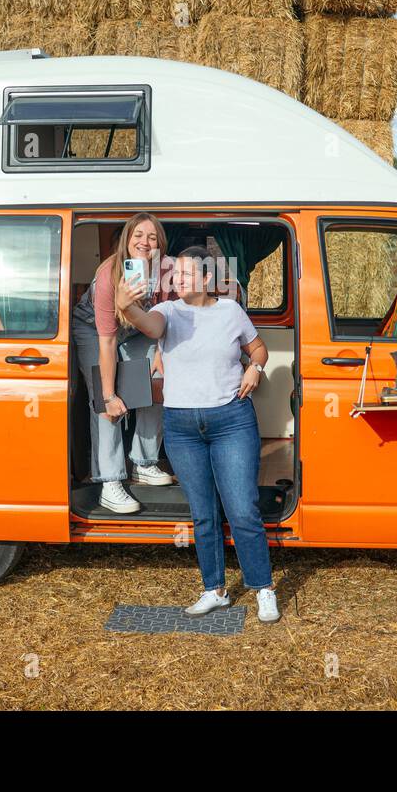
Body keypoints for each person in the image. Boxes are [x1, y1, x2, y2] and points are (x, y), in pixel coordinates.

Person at [115, 245, 280, 623]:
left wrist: (254, 368)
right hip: (183, 426)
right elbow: (149, 326)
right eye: (174, 276)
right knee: (203, 513)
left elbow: (258, 349)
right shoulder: (167, 312)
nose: (177, 282)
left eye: (186, 275)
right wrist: (127, 307)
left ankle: (263, 588)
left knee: (242, 510)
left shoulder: (230, 311)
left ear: (207, 279)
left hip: (232, 421)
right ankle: (214, 589)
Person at [71, 213, 174, 514]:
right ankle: (110, 482)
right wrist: (109, 395)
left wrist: (161, 351)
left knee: (158, 380)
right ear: (127, 241)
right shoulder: (109, 275)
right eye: (138, 235)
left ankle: (144, 462)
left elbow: (169, 316)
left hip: (138, 328)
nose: (144, 242)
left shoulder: (166, 270)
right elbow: (107, 341)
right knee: (105, 403)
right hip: (94, 330)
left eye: (152, 237)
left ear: (160, 244)